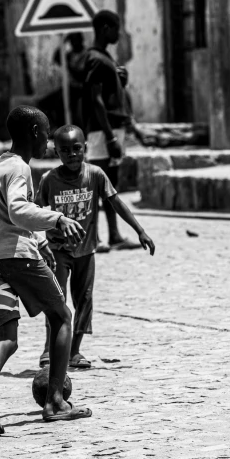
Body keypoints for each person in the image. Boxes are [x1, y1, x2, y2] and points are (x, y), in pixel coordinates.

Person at [0, 106, 92, 436]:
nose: (49, 142)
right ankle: (55, 403)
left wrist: (40, 241)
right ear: (34, 133)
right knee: (62, 316)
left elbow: (2, 215)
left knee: (8, 336)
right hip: (14, 256)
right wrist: (56, 218)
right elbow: (18, 210)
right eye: (47, 135)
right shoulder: (20, 168)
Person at [36, 124, 155, 368]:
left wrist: (140, 230)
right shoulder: (49, 180)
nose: (71, 154)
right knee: (57, 301)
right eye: (65, 150)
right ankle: (50, 349)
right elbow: (34, 211)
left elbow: (116, 203)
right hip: (58, 251)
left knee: (85, 301)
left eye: (76, 149)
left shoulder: (95, 175)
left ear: (85, 149)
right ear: (56, 152)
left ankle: (74, 351)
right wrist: (37, 242)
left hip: (86, 250)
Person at [82, 10, 141, 253]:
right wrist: (110, 136)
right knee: (96, 186)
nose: (119, 33)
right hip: (101, 132)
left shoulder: (105, 57)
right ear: (106, 28)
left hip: (112, 128)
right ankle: (92, 238)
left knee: (109, 185)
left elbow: (107, 93)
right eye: (116, 28)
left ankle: (114, 235)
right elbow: (96, 100)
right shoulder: (95, 58)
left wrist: (121, 81)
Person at [53, 32, 87, 128]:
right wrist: (63, 42)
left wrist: (68, 65)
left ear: (81, 41)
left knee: (72, 108)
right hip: (71, 87)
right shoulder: (70, 55)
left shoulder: (87, 54)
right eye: (71, 41)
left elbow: (80, 75)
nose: (73, 43)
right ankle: (58, 128)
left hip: (83, 88)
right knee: (52, 102)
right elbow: (56, 58)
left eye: (75, 40)